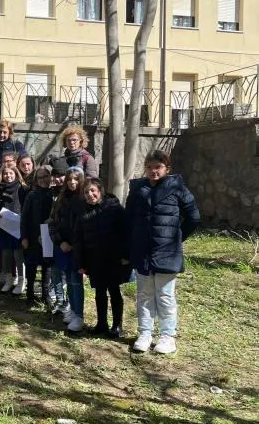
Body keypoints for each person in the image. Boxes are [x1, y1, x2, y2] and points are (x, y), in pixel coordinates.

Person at [125, 150, 200, 354]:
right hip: (142, 251)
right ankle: (145, 333)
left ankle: (167, 336)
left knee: (165, 296)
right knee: (144, 294)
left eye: (157, 167)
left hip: (167, 252)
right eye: (149, 167)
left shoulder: (178, 188)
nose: (153, 171)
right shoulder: (137, 189)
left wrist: (176, 237)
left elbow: (193, 217)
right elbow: (128, 219)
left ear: (167, 168)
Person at [74, 178, 131, 338]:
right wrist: (81, 262)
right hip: (94, 259)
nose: (90, 194)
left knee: (114, 290)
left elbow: (126, 232)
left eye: (93, 191)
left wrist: (126, 255)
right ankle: (101, 323)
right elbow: (79, 239)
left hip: (113, 258)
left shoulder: (114, 208)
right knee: (99, 291)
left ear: (100, 191)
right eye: (86, 192)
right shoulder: (83, 212)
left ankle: (117, 325)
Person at [48, 166, 87, 334]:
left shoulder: (84, 199)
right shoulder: (61, 199)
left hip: (77, 248)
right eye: (69, 179)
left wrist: (73, 243)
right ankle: (72, 310)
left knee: (76, 281)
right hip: (63, 246)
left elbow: (84, 226)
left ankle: (79, 315)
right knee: (69, 281)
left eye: (76, 179)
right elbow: (54, 222)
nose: (72, 182)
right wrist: (61, 241)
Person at [0, 165, 27, 295]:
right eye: (5, 174)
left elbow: (27, 207)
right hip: (3, 227)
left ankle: (22, 280)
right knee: (5, 254)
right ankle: (9, 279)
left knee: (18, 254)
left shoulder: (22, 189)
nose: (8, 176)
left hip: (18, 227)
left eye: (11, 173)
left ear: (16, 174)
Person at [21, 166, 54, 306]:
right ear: (36, 180)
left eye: (45, 176)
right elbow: (25, 217)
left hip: (49, 234)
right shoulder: (32, 195)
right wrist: (24, 237)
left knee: (47, 265)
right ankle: (30, 294)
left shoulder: (54, 194)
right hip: (33, 234)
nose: (43, 180)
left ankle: (45, 294)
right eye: (39, 177)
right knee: (31, 265)